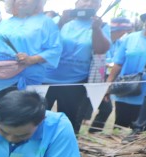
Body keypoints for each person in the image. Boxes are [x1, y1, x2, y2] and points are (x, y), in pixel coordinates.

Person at [0, 0, 61, 109]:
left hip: (25, 80)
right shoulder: (4, 23)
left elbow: (54, 49)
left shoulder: (46, 22)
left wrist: (32, 59)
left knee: (21, 117)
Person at [44, 0, 110, 133]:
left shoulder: (102, 26)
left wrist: (96, 29)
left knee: (69, 124)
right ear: (76, 3)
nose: (88, 4)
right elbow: (43, 42)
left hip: (75, 82)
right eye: (84, 0)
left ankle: (65, 150)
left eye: (94, 2)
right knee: (36, 117)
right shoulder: (59, 20)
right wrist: (61, 22)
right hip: (45, 79)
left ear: (99, 6)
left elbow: (101, 50)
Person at [110, 9, 146, 131]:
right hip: (125, 90)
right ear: (145, 20)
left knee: (139, 132)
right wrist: (108, 84)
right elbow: (118, 63)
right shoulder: (130, 38)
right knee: (119, 128)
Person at [89, 17, 132, 133]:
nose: (126, 33)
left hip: (108, 78)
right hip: (94, 78)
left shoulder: (120, 43)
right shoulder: (101, 38)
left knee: (106, 108)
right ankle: (91, 131)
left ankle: (94, 132)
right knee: (101, 108)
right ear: (120, 30)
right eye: (125, 30)